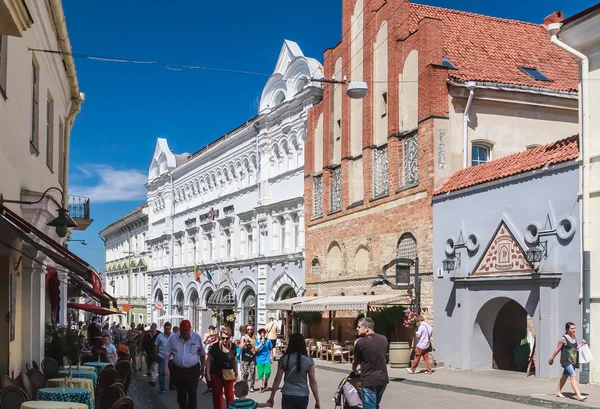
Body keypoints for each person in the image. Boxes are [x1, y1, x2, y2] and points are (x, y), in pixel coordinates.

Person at [266, 333, 321, 409]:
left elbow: (277, 379)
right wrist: (317, 401)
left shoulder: (284, 359)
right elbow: (313, 382)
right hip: (302, 394)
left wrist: (272, 397)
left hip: (288, 394)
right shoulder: (309, 361)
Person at [164, 319, 206, 409]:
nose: (186, 332)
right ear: (180, 330)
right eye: (184, 330)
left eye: (187, 330)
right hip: (178, 370)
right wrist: (165, 366)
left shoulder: (196, 338)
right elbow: (167, 352)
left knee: (192, 392)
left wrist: (203, 369)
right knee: (181, 394)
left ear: (190, 329)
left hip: (193, 370)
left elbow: (202, 354)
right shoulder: (173, 338)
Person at [352, 317, 389, 409]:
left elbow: (355, 361)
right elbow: (384, 355)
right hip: (382, 379)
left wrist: (354, 369)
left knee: (370, 407)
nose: (357, 329)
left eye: (359, 327)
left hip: (369, 379)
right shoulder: (384, 339)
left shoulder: (360, 343)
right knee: (375, 405)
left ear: (366, 328)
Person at [549, 322, 588, 401]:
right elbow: (557, 350)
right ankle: (578, 395)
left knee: (565, 376)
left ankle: (558, 391)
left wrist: (581, 345)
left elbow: (574, 348)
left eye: (574, 328)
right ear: (567, 329)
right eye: (572, 328)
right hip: (565, 360)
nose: (574, 330)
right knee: (573, 376)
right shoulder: (563, 339)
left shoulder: (574, 337)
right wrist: (551, 358)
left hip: (572, 360)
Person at [207, 326, 238, 409]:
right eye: (222, 338)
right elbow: (209, 360)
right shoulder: (215, 347)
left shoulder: (233, 347)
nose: (224, 340)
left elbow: (234, 360)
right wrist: (207, 373)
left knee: (230, 396)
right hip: (216, 374)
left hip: (229, 374)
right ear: (220, 336)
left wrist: (237, 373)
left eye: (227, 338)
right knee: (217, 396)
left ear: (230, 337)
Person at [155, 321, 173, 393]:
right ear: (164, 328)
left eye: (168, 329)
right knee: (161, 372)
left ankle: (171, 385)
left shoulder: (174, 336)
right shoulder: (160, 336)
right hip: (161, 356)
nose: (167, 330)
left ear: (170, 328)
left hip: (171, 357)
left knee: (173, 372)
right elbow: (156, 346)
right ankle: (162, 388)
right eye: (166, 329)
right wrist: (156, 354)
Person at [255, 328, 274, 393]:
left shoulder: (268, 340)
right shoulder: (257, 340)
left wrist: (272, 357)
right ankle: (261, 387)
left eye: (263, 333)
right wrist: (261, 343)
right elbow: (256, 349)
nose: (262, 334)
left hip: (267, 359)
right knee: (260, 373)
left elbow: (271, 349)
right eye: (261, 333)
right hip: (259, 359)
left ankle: (266, 381)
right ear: (259, 334)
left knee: (268, 372)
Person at [241, 325, 257, 392]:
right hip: (245, 358)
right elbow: (241, 348)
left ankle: (252, 387)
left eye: (251, 329)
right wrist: (245, 342)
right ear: (246, 330)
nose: (249, 330)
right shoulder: (243, 337)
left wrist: (254, 350)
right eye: (248, 329)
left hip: (252, 357)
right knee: (245, 373)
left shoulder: (254, 337)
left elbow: (256, 347)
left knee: (252, 372)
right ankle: (244, 386)